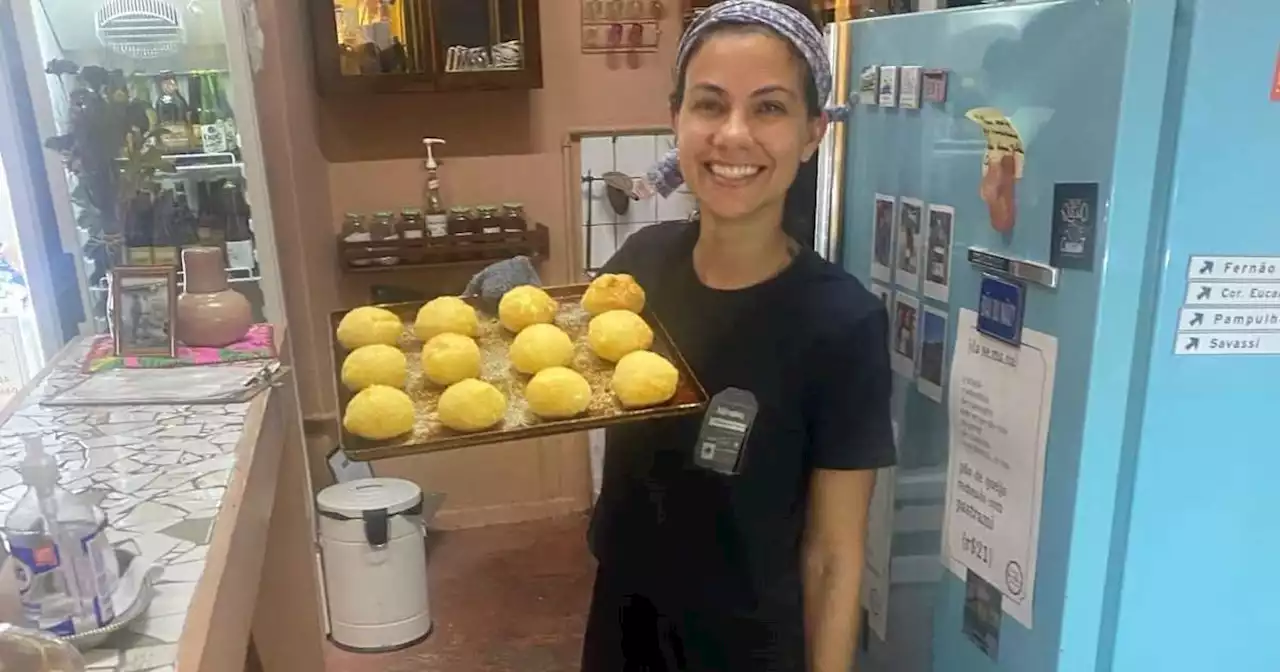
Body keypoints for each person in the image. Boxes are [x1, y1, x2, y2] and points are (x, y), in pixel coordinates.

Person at [582, 2, 897, 671]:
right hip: (623, 629)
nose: (732, 134)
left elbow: (835, 557)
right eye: (709, 104)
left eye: (770, 108)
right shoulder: (637, 271)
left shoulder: (841, 325)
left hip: (749, 649)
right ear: (676, 118)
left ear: (813, 133)